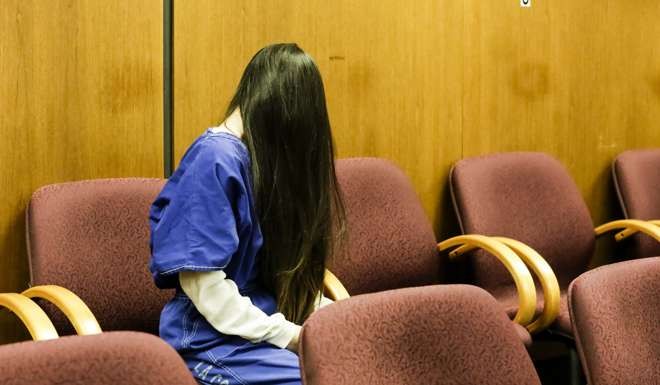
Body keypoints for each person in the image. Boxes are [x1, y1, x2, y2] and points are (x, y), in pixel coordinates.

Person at [149, 43, 345, 385]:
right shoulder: (215, 159)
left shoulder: (260, 162)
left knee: (360, 363)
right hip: (209, 341)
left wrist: (340, 319)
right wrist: (293, 336)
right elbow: (206, 290)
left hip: (260, 329)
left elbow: (279, 277)